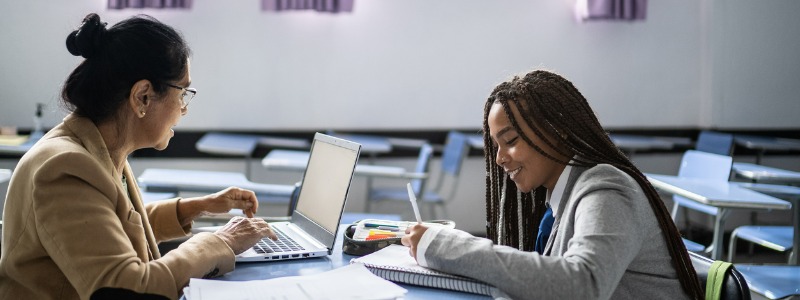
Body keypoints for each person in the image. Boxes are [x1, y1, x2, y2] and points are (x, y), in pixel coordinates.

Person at [0, 13, 277, 300]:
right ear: (142, 96)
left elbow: (109, 230)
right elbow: (127, 288)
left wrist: (197, 207)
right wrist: (221, 241)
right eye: (182, 92)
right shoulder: (65, 167)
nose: (184, 109)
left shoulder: (99, 147)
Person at [401, 70, 704, 299]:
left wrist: (446, 245)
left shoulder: (607, 188)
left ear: (555, 131)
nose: (499, 159)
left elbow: (584, 284)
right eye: (495, 145)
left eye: (510, 141)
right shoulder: (558, 199)